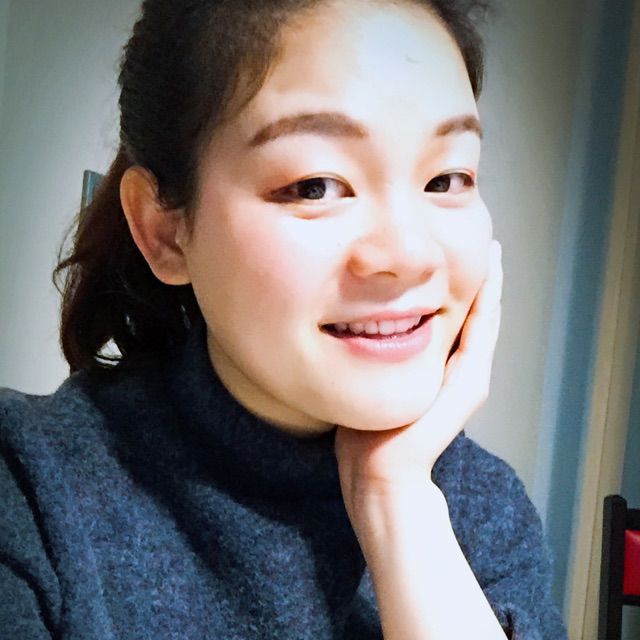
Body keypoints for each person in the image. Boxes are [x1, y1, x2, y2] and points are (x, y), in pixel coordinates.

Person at [0, 0, 568, 638]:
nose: (410, 255)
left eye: (447, 178)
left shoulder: (486, 511)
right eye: (313, 186)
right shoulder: (31, 489)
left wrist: (397, 501)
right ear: (164, 231)